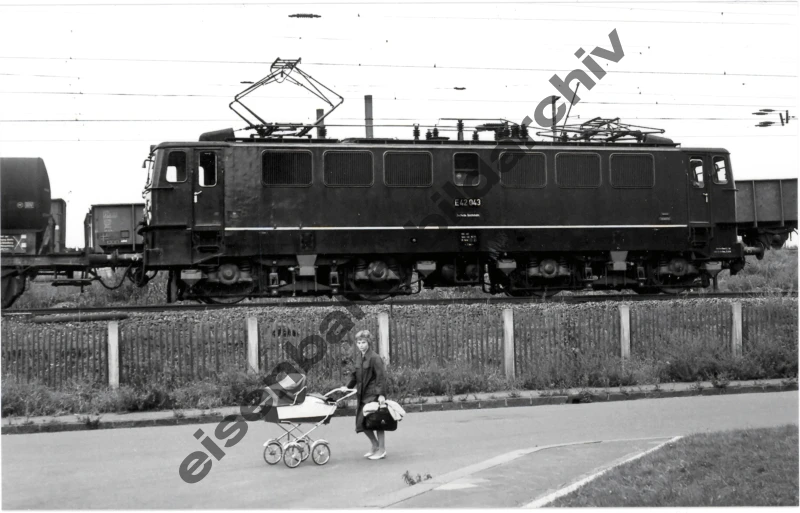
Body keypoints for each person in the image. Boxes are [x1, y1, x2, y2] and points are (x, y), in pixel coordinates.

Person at [343, 329, 387, 460]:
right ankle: (375, 445)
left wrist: (381, 395)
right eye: (359, 343)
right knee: (361, 423)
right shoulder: (359, 358)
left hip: (373, 395)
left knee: (377, 422)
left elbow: (381, 377)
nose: (361, 345)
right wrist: (347, 387)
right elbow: (354, 375)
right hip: (362, 395)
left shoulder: (375, 358)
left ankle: (382, 450)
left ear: (368, 343)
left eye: (363, 342)